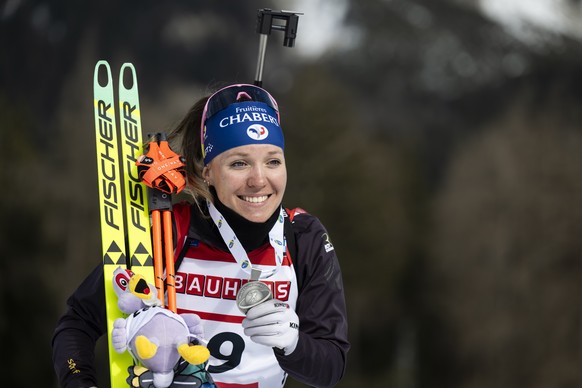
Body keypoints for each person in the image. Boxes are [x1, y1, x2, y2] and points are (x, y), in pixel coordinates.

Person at [52, 83, 350, 387]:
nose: (259, 180)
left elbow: (331, 366)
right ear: (207, 171)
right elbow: (78, 322)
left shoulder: (303, 238)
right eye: (239, 163)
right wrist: (80, 381)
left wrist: (293, 344)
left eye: (273, 161)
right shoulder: (170, 230)